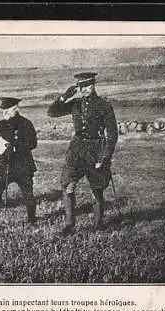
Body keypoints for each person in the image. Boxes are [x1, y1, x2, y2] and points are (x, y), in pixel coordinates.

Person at [47, 72, 118, 234]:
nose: (85, 89)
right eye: (81, 86)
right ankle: (69, 224)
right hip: (77, 150)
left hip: (96, 149)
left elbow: (112, 135)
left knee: (96, 187)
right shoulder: (75, 104)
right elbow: (52, 112)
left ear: (94, 84)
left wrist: (105, 157)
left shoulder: (104, 105)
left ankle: (98, 224)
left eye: (88, 85)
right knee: (67, 184)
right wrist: (64, 97)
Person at [0, 97, 38, 227]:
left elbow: (33, 143)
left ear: (16, 109)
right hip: (5, 164)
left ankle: (32, 219)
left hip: (23, 164)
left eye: (7, 110)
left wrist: (16, 146)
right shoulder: (3, 124)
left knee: (28, 192)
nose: (4, 113)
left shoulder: (26, 123)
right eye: (3, 110)